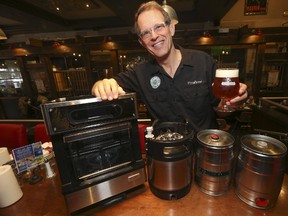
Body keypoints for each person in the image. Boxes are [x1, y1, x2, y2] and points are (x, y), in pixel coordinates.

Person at [91, 1, 247, 131]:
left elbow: (221, 112)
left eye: (158, 27)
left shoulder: (203, 62)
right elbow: (105, 85)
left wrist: (233, 104)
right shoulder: (140, 73)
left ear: (171, 28)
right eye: (146, 33)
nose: (153, 36)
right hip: (166, 157)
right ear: (142, 43)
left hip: (203, 152)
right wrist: (101, 85)